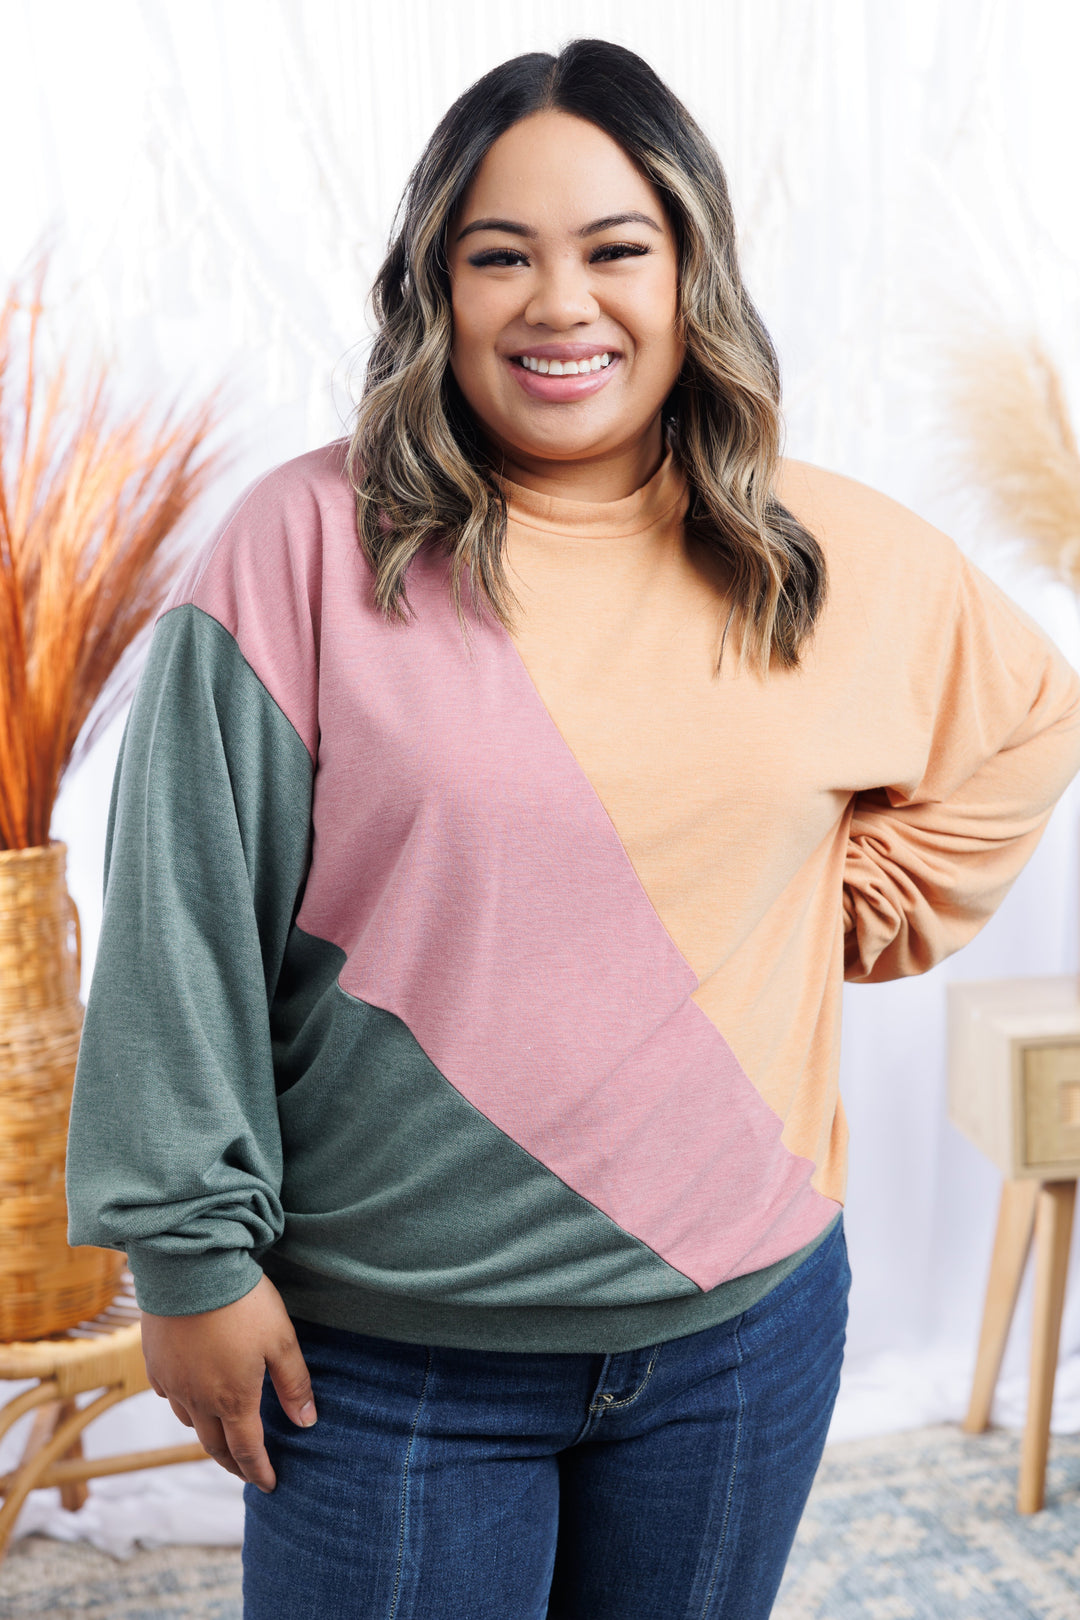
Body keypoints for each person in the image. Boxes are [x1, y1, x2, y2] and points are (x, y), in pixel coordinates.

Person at [66, 37, 1080, 1620]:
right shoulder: (305, 549)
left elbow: (1029, 715)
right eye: (501, 256)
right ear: (435, 284)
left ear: (689, 274)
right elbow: (178, 925)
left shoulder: (815, 552)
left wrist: (852, 899)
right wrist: (192, 1263)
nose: (561, 304)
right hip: (385, 1365)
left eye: (616, 249)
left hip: (741, 1341)